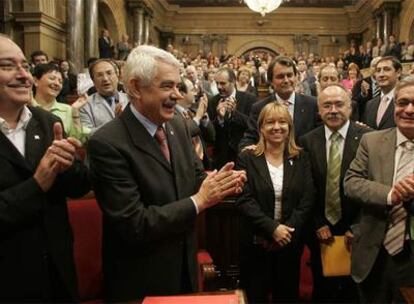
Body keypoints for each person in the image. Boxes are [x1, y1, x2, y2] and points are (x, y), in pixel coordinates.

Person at [87, 45, 246, 302]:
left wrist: (218, 183)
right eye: (167, 86)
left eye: (178, 86)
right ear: (136, 87)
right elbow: (134, 224)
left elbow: (194, 178)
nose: (177, 95)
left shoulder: (177, 125)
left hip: (184, 270)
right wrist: (200, 200)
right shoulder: (107, 143)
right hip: (141, 280)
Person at [0, 34, 90, 302]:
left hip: (56, 273)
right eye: (7, 66)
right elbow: (38, 185)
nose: (24, 75)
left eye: (25, 66)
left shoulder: (47, 121)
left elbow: (79, 186)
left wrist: (69, 165)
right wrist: (37, 184)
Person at [344, 75, 414, 302]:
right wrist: (391, 194)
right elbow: (352, 183)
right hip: (374, 253)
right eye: (403, 103)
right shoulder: (371, 141)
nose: (409, 110)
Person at [236, 102, 314, 303]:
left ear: (290, 127)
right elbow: (244, 200)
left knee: (287, 295)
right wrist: (272, 229)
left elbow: (307, 198)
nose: (277, 127)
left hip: (289, 242)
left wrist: (286, 231)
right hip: (256, 243)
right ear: (261, 127)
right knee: (256, 296)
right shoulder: (248, 157)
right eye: (270, 122)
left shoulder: (301, 157)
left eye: (282, 122)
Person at [299, 84, 371, 303]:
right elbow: (305, 188)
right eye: (326, 105)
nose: (333, 110)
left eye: (339, 104)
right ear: (319, 111)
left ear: (350, 107)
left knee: (355, 292)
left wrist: (358, 226)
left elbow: (373, 185)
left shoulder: (369, 138)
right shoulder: (307, 141)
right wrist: (317, 223)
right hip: (320, 229)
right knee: (323, 289)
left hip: (357, 230)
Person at [239, 55, 319, 150]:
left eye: (289, 75)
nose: (286, 80)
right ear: (271, 81)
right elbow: (249, 139)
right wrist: (246, 148)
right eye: (280, 76)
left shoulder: (312, 104)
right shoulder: (259, 108)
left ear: (296, 77)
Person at [207, 67, 256, 169]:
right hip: (221, 160)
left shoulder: (249, 99)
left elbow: (253, 126)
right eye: (217, 83)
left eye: (223, 83)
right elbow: (211, 134)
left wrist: (235, 114)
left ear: (233, 82)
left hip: (243, 157)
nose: (219, 87)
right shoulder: (212, 101)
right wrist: (219, 119)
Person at [32, 63, 89, 143]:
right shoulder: (27, 108)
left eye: (60, 81)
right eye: (52, 78)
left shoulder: (67, 109)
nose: (57, 84)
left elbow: (79, 140)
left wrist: (75, 110)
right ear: (35, 81)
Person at [79, 59, 129, 135]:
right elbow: (86, 135)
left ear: (117, 75)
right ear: (93, 80)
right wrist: (116, 123)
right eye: (99, 75)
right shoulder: (85, 105)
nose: (105, 79)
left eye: (109, 73)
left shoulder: (131, 100)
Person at [363, 56, 402, 130]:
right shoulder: (370, 105)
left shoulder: (407, 101)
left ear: (398, 73)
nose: (381, 75)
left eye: (386, 69)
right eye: (378, 70)